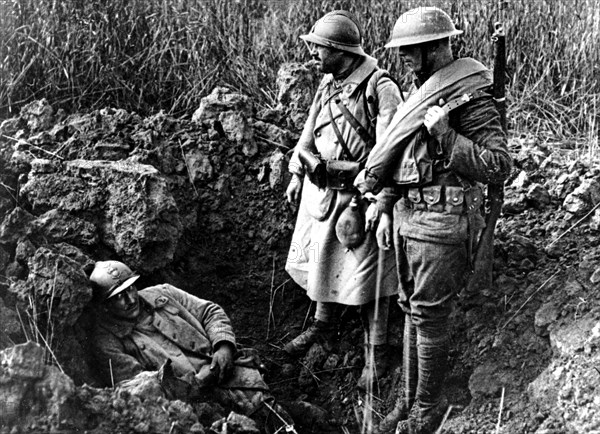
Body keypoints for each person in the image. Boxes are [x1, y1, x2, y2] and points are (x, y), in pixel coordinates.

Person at [353, 7, 513, 434]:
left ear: (437, 47)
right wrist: (386, 201)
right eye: (402, 50)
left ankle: (427, 408)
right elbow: (402, 157)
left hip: (443, 222)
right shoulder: (419, 92)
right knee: (411, 312)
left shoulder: (470, 95)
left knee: (429, 318)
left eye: (411, 50)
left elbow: (498, 165)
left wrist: (446, 134)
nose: (403, 58)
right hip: (410, 219)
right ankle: (407, 404)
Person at [283, 10, 402, 390]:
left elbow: (390, 149)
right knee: (321, 262)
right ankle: (322, 325)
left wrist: (380, 201)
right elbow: (309, 131)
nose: (313, 55)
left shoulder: (380, 87)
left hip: (358, 198)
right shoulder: (328, 83)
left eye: (319, 48)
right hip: (320, 193)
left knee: (370, 277)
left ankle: (378, 349)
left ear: (340, 51)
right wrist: (297, 172)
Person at [86, 260, 292, 433]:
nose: (130, 299)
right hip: (189, 407)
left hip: (230, 375)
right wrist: (195, 383)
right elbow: (139, 390)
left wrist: (224, 346)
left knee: (276, 420)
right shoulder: (106, 341)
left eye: (130, 288)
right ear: (104, 304)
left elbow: (210, 312)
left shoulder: (163, 293)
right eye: (119, 297)